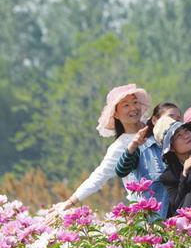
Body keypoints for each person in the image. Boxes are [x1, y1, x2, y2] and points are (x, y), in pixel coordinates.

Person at [46, 84, 162, 222]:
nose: (133, 108)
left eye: (135, 102)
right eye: (126, 105)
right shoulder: (120, 146)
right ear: (116, 114)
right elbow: (99, 176)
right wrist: (70, 202)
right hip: (145, 210)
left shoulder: (156, 128)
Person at [113, 102, 181, 218]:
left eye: (178, 119)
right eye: (170, 117)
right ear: (154, 120)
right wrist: (133, 145)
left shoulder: (180, 148)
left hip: (178, 222)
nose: (174, 122)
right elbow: (121, 171)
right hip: (153, 221)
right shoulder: (142, 147)